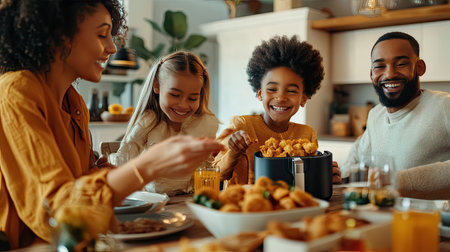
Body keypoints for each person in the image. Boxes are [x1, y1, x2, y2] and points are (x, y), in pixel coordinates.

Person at [0, 0, 223, 249]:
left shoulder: (74, 103)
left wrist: (102, 172)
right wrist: (147, 165)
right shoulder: (16, 91)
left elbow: (80, 186)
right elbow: (55, 214)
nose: (111, 47)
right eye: (101, 34)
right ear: (60, 35)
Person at [214, 35, 341, 186]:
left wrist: (325, 176)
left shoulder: (307, 135)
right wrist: (233, 152)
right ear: (260, 93)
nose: (280, 97)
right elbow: (215, 173)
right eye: (272, 89)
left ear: (304, 98)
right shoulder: (241, 126)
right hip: (243, 205)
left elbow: (304, 183)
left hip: (285, 206)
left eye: (292, 91)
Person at [342, 31, 450, 199]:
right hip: (384, 217)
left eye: (401, 64)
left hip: (437, 221)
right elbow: (355, 157)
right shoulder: (375, 115)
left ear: (420, 67)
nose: (390, 74)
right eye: (379, 66)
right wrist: (339, 174)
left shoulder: (444, 105)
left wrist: (398, 180)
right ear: (371, 74)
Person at [111, 51, 219, 195]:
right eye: (175, 95)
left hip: (190, 201)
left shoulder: (204, 123)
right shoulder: (149, 122)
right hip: (153, 202)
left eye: (192, 98)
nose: (183, 105)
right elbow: (124, 160)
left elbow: (208, 168)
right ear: (157, 86)